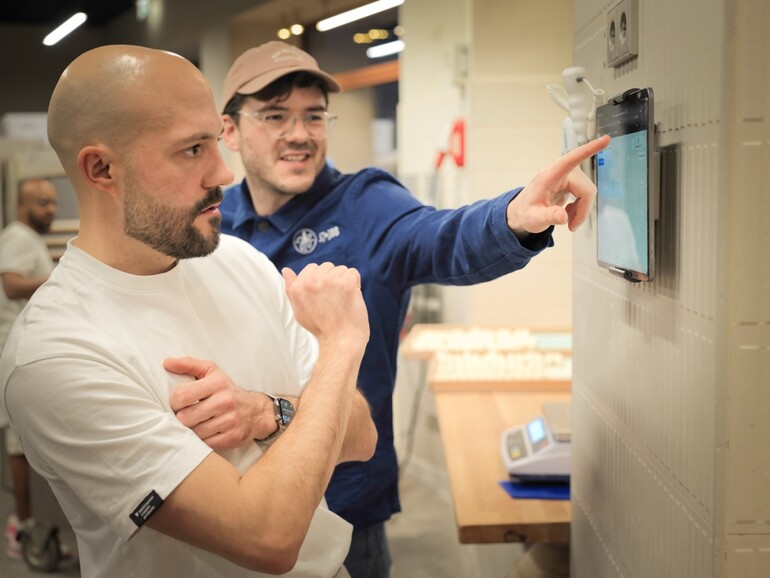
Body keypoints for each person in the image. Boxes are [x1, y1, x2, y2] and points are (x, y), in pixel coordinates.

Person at [217, 40, 610, 577]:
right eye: (274, 116)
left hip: (342, 499)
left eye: (313, 116)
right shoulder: (212, 223)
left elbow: (440, 237)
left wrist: (514, 215)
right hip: (230, 491)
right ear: (230, 131)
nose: (300, 134)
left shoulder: (364, 204)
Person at [0, 44, 378, 578]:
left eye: (215, 143)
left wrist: (268, 411)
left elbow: (361, 435)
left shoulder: (238, 261)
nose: (224, 173)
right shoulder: (54, 354)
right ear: (102, 168)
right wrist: (341, 346)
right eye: (192, 150)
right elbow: (267, 536)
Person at [0, 178, 61, 560]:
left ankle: (25, 526)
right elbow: (11, 285)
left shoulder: (28, 238)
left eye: (54, 203)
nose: (51, 210)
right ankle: (21, 529)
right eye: (43, 202)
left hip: (21, 350)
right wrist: (63, 279)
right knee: (16, 444)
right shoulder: (19, 235)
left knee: (20, 443)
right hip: (12, 350)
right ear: (23, 206)